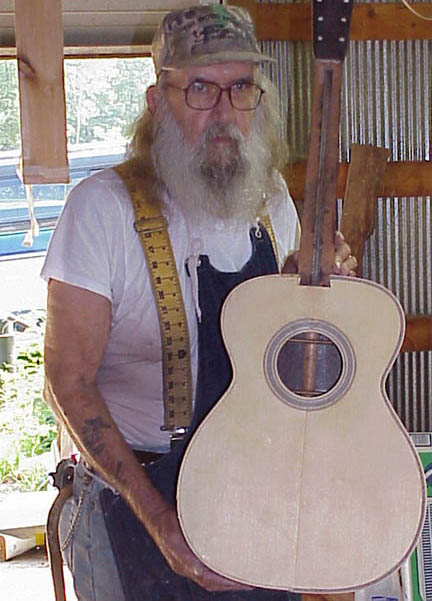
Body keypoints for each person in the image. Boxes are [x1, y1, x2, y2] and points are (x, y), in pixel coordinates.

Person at [42, 5, 357, 601]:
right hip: (135, 502)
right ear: (157, 102)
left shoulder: (272, 202)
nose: (224, 113)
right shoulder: (102, 210)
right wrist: (162, 521)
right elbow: (66, 381)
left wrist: (312, 291)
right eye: (200, 89)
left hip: (255, 493)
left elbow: (281, 358)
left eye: (241, 88)